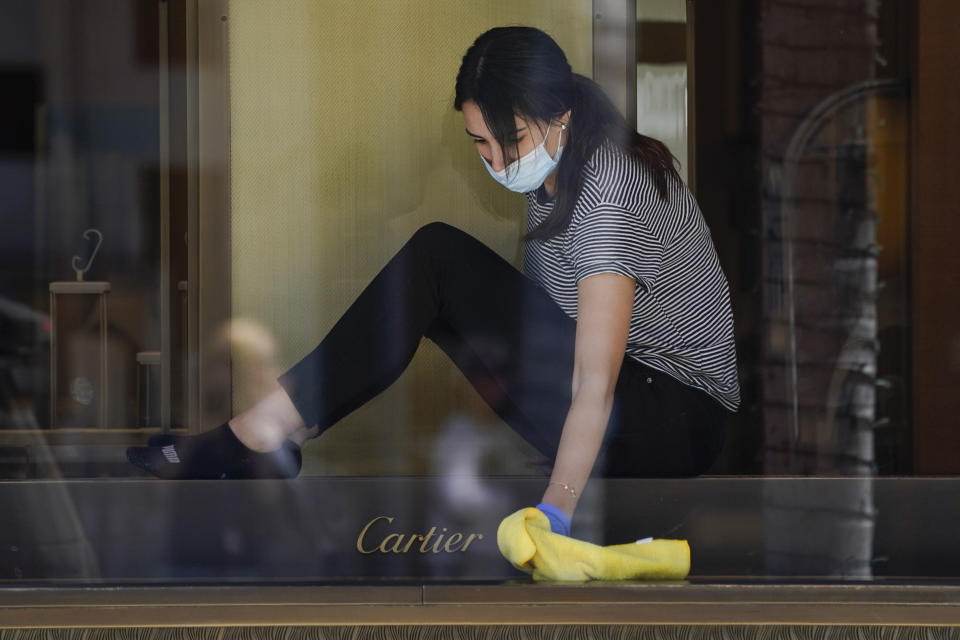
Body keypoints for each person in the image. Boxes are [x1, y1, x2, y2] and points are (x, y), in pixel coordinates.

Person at [127, 26, 740, 536]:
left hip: (674, 419)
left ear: (561, 116)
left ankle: (261, 433)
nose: (496, 162)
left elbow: (593, 379)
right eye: (479, 143)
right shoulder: (559, 172)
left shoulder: (608, 185)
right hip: (626, 411)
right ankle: (282, 431)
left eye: (511, 141)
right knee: (436, 279)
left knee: (438, 257)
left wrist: (555, 511)